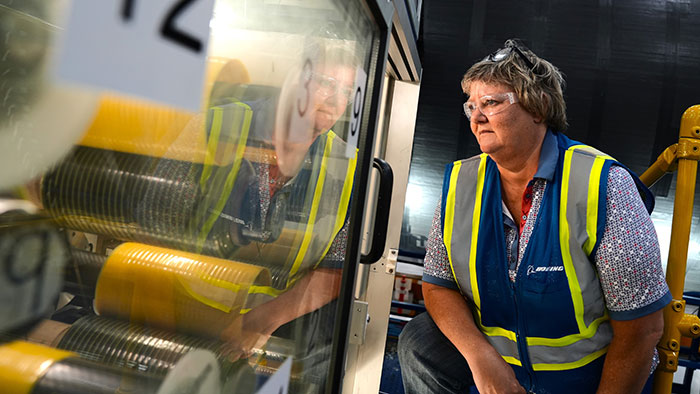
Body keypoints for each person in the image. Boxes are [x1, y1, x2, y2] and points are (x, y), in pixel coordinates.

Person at [397, 39, 671, 394]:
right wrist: (483, 360)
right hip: (500, 366)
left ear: (538, 107)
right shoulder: (460, 183)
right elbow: (438, 284)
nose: (476, 117)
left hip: (581, 379)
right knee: (420, 340)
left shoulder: (602, 185)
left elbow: (643, 330)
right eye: (471, 107)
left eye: (491, 103)